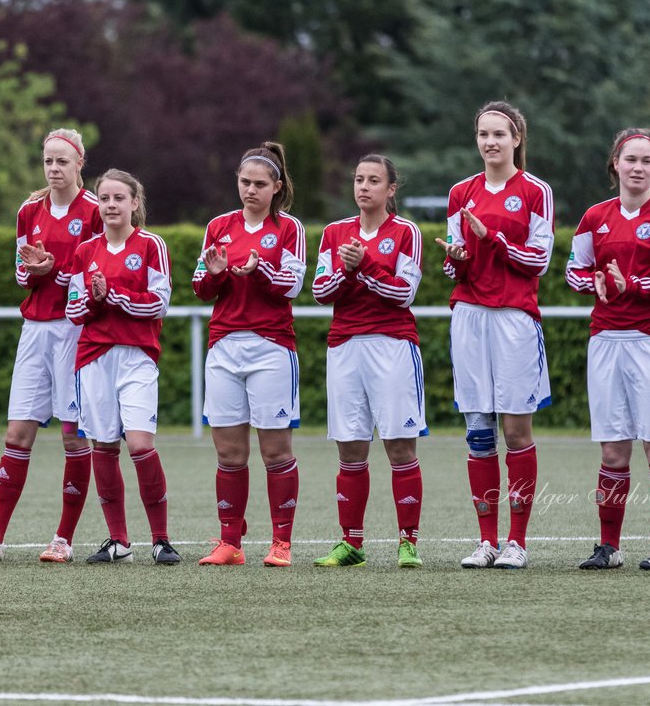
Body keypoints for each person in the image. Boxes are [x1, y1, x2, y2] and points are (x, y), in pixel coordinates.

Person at [0, 129, 100, 563]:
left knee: (73, 436)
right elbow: (21, 274)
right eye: (48, 161)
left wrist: (55, 270)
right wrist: (37, 270)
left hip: (75, 332)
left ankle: (63, 539)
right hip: (35, 330)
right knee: (16, 433)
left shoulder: (96, 211)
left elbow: (97, 274)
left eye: (62, 161)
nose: (54, 169)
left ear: (80, 164)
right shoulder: (29, 211)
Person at [565, 128, 650, 571]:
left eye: (647, 160)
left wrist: (633, 285)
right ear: (615, 164)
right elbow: (573, 270)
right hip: (605, 341)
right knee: (612, 452)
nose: (638, 167)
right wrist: (595, 283)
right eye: (630, 160)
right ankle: (608, 546)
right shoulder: (594, 216)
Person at [439, 101, 553, 570]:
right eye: (483, 134)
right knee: (478, 430)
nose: (490, 142)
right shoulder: (460, 191)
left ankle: (517, 542)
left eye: (499, 134)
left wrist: (494, 240)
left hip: (514, 318)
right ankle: (486, 541)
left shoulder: (535, 191)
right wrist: (458, 257)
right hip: (469, 315)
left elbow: (540, 260)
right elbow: (452, 267)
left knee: (515, 428)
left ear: (517, 139)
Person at [193, 142, 306, 567]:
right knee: (229, 453)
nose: (251, 190)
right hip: (224, 346)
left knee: (275, 451)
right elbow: (201, 287)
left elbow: (293, 287)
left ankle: (281, 543)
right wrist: (216, 275)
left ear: (277, 187)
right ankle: (230, 543)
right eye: (245, 182)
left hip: (272, 346)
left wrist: (262, 270)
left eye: (260, 184)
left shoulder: (289, 229)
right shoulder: (218, 226)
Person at [312, 154, 426, 569]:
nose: (364, 187)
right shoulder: (333, 232)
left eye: (374, 180)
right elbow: (321, 291)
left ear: (390, 189)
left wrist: (366, 266)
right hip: (345, 347)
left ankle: (407, 543)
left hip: (392, 346)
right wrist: (348, 271)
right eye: (359, 179)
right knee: (351, 446)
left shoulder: (406, 232)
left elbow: (404, 293)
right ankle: (352, 543)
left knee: (399, 445)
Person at [66, 169, 180, 565]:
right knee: (103, 444)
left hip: (136, 356)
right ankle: (118, 542)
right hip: (94, 358)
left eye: (119, 198)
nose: (110, 205)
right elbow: (73, 311)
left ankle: (161, 540)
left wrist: (111, 295)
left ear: (135, 203)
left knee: (140, 444)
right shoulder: (85, 251)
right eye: (104, 198)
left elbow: (158, 302)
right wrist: (96, 300)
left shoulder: (151, 245)